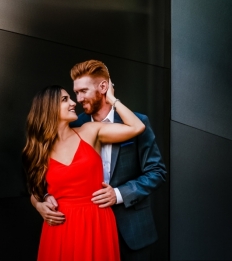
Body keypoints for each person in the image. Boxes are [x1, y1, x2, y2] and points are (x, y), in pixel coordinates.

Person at [32, 60, 167, 261]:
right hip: (83, 231)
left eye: (83, 91)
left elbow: (157, 171)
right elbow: (43, 180)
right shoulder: (73, 125)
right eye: (75, 93)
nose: (77, 99)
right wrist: (41, 201)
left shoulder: (137, 121)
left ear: (103, 87)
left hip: (132, 229)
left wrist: (119, 194)